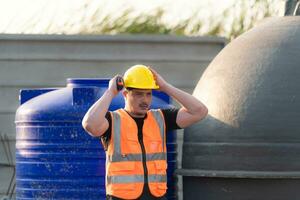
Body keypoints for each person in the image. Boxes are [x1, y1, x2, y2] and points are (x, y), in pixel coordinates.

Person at [82, 64, 208, 200]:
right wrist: (110, 92)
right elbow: (90, 125)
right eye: (138, 94)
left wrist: (165, 87)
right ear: (125, 94)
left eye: (148, 94)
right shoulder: (113, 121)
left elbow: (200, 111)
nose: (145, 100)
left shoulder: (161, 118)